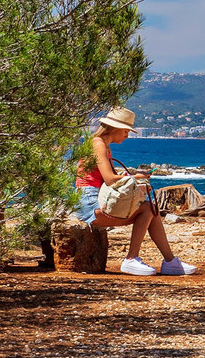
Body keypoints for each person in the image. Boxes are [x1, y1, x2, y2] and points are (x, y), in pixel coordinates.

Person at [75, 105, 194, 278]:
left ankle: (169, 261)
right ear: (117, 128)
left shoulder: (103, 145)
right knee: (147, 209)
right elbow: (109, 179)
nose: (127, 135)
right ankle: (133, 259)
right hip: (89, 204)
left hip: (95, 199)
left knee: (151, 209)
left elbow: (107, 178)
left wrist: (131, 176)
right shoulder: (98, 145)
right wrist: (135, 178)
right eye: (125, 132)